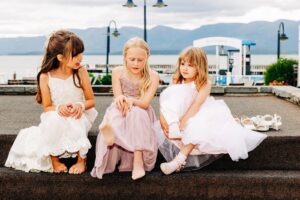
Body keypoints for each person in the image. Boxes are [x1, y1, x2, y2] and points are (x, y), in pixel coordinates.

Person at [158, 47, 267, 175]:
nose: (185, 68)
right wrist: (163, 119)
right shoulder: (176, 79)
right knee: (167, 100)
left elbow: (196, 105)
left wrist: (182, 123)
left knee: (196, 127)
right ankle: (173, 125)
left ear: (199, 67)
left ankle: (177, 161)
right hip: (178, 114)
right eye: (183, 64)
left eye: (190, 65)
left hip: (198, 112)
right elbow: (166, 101)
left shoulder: (204, 83)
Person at [5, 30, 98, 174]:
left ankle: (81, 160)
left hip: (81, 112)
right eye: (75, 55)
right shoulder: (45, 76)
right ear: (60, 57)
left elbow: (91, 101)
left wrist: (79, 105)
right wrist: (59, 108)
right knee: (53, 120)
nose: (80, 57)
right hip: (56, 112)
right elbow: (47, 107)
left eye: (81, 53)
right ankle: (55, 161)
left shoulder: (81, 71)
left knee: (76, 119)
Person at [91, 37, 160, 180]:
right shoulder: (117, 72)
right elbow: (118, 95)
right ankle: (109, 130)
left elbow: (145, 103)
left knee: (137, 113)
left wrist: (132, 101)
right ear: (125, 57)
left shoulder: (153, 76)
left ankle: (138, 160)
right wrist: (121, 99)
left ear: (147, 58)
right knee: (118, 115)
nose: (136, 63)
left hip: (142, 110)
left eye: (140, 60)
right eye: (132, 59)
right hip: (121, 108)